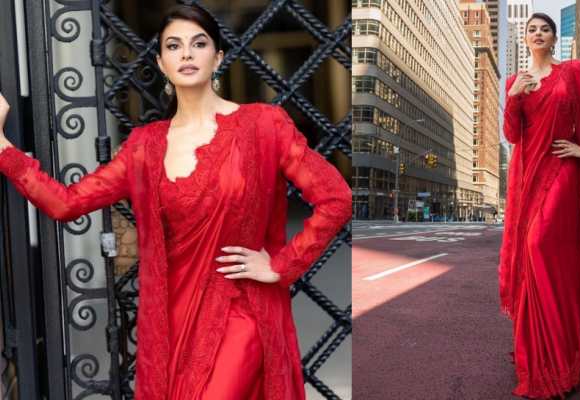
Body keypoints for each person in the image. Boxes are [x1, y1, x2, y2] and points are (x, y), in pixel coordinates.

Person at [0, 4, 351, 400]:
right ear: (162, 63)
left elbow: (335, 198)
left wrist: (281, 265)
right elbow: (66, 202)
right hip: (172, 322)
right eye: (174, 45)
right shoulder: (145, 147)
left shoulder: (263, 126)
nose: (186, 53)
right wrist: (2, 148)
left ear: (217, 58)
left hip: (241, 311)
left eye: (198, 43)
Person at [498, 13, 580, 399]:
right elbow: (512, 135)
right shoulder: (513, 82)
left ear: (554, 38)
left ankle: (559, 357)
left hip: (563, 172)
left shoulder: (575, 71)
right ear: (526, 38)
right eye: (532, 29)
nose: (537, 33)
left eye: (545, 29)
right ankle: (541, 354)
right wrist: (515, 96)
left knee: (536, 247)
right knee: (538, 259)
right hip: (528, 179)